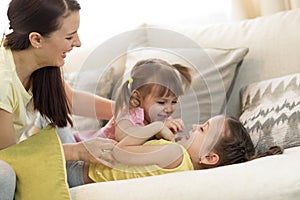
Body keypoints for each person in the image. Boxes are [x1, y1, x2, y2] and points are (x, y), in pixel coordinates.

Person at [0, 0, 115, 198]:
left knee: (53, 120)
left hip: (15, 150)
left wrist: (127, 109)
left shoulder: (43, 61)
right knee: (4, 175)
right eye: (69, 36)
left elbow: (69, 100)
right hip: (6, 158)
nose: (78, 43)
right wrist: (77, 151)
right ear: (36, 40)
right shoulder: (3, 79)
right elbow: (9, 155)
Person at [84, 115, 283, 183]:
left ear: (209, 157)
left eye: (203, 128)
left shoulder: (175, 153)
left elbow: (118, 152)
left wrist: (156, 126)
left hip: (82, 170)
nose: (195, 126)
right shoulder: (180, 162)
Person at [74, 58, 192, 143]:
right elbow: (123, 138)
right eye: (161, 102)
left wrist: (174, 137)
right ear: (138, 97)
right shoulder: (128, 112)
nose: (169, 109)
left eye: (174, 102)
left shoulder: (162, 118)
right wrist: (156, 128)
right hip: (85, 148)